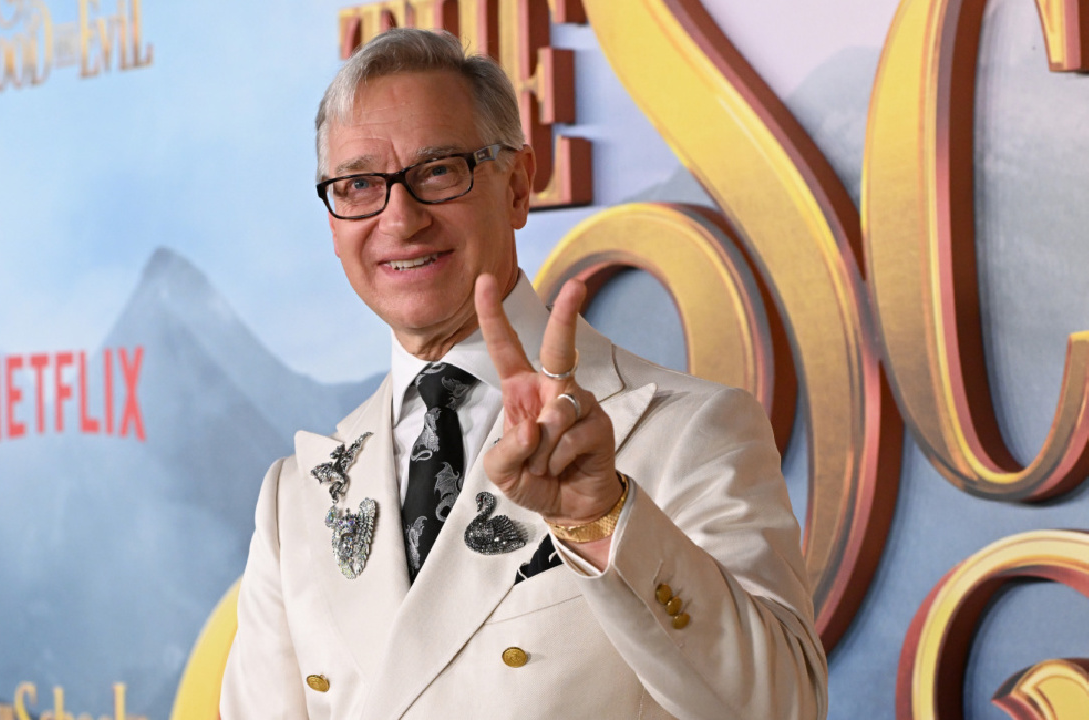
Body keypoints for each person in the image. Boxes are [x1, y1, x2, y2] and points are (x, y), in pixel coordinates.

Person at [220, 28, 826, 720]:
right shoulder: (294, 499)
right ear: (334, 224)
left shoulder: (689, 432)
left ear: (516, 186)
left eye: (439, 170)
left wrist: (603, 520)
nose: (401, 218)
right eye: (359, 185)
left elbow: (784, 708)